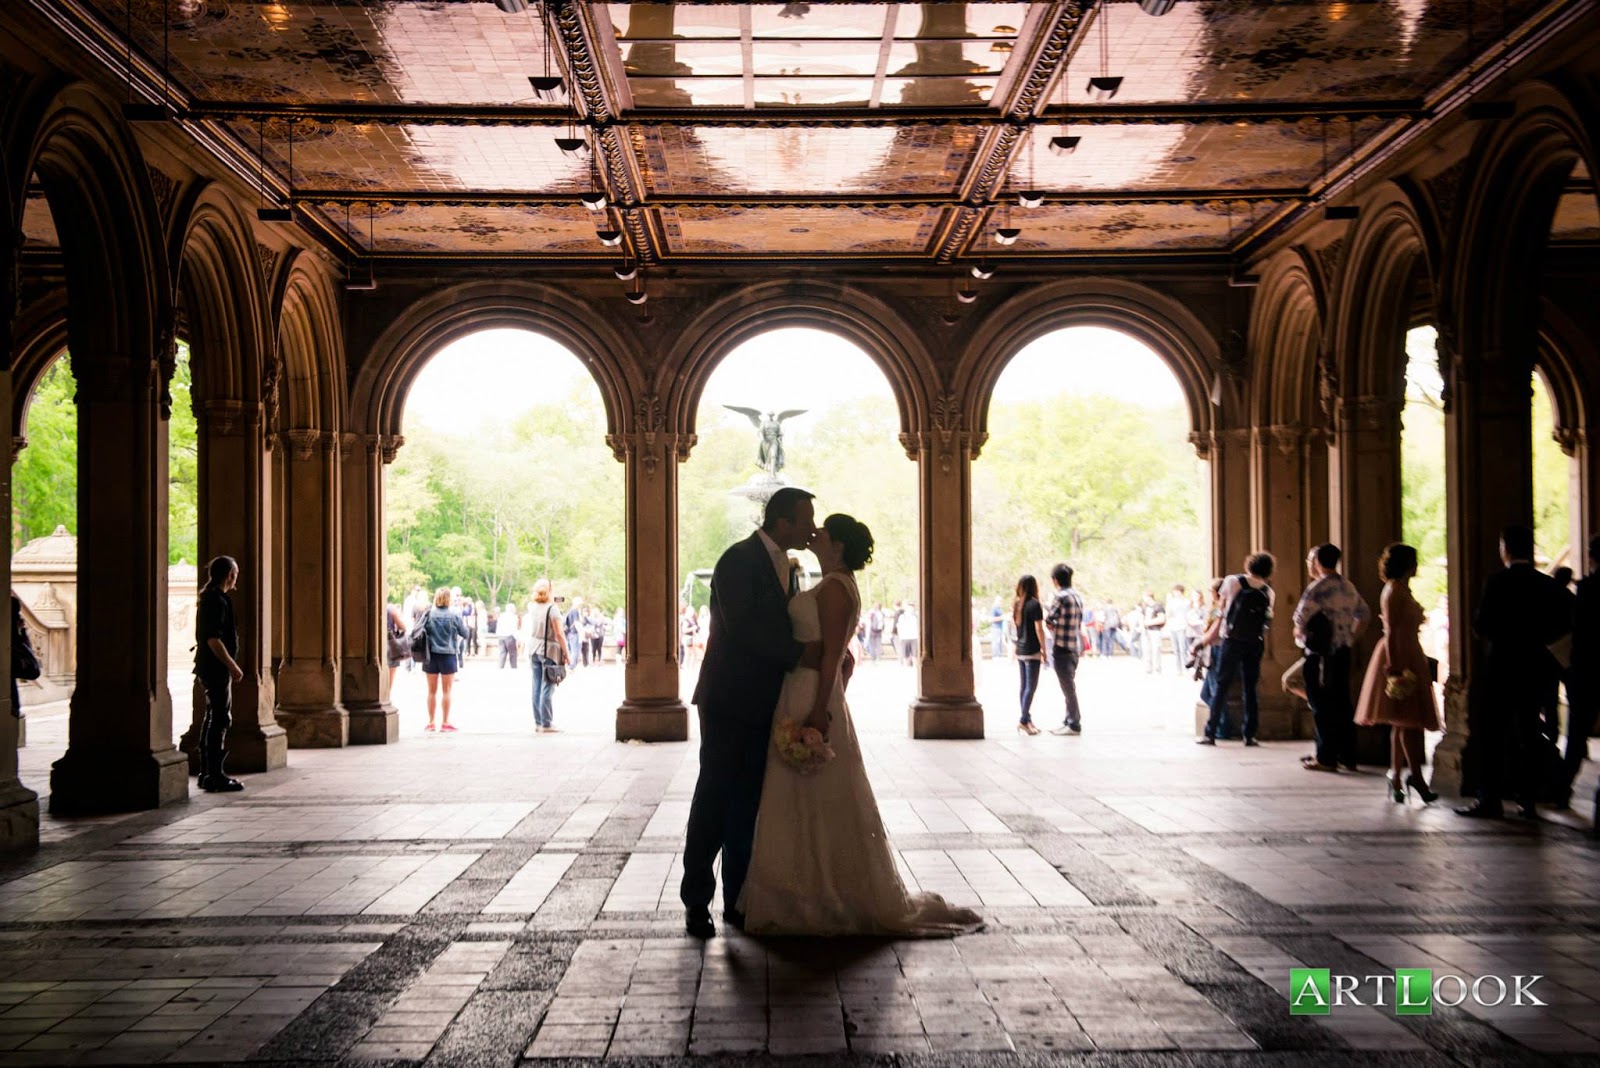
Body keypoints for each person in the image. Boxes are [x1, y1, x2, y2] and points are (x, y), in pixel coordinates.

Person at [739, 514, 982, 937]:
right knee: (794, 791)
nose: (814, 533)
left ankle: (821, 892)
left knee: (814, 790)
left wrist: (820, 708)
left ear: (837, 545)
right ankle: (797, 889)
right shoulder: (831, 581)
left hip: (811, 691)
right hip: (800, 689)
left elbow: (834, 654)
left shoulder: (835, 588)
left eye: (823, 531)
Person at [681, 487, 824, 939]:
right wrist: (803, 655)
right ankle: (696, 900)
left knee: (748, 802)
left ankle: (737, 900)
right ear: (782, 522)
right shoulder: (737, 560)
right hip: (729, 698)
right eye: (806, 519)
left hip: (764, 700)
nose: (812, 527)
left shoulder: (788, 564)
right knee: (715, 797)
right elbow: (744, 629)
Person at [1459, 525, 1572, 819]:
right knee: (1530, 733)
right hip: (1535, 668)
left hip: (1501, 666)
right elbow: (1566, 623)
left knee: (1492, 734)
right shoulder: (1546, 585)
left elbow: (1481, 625)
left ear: (1505, 548)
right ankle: (1527, 800)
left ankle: (1491, 798)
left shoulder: (1497, 582)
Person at [1352, 543, 1441, 802]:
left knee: (1404, 722)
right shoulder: (1394, 591)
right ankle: (1413, 777)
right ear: (1407, 564)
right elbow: (1390, 630)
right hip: (1401, 653)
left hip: (1408, 650)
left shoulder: (1399, 589)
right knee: (1410, 722)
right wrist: (1394, 666)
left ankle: (1398, 775)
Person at [1294, 543, 1371, 773]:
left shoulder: (1318, 588)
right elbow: (1364, 614)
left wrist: (1301, 635)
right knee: (1342, 703)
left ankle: (1326, 757)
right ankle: (1347, 755)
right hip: (1342, 652)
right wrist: (1350, 638)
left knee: (1320, 704)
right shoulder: (1347, 586)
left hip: (1320, 654)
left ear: (1317, 561)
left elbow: (1300, 619)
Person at [1199, 553, 1275, 747]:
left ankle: (1210, 733)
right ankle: (1249, 734)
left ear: (1249, 564)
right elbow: (1267, 621)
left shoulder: (1233, 581)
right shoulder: (1268, 591)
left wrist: (1209, 628)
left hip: (1231, 641)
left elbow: (1220, 609)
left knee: (1221, 685)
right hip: (1255, 642)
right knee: (1250, 688)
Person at [194, 556, 246, 792]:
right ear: (229, 575)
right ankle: (215, 775)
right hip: (215, 668)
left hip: (208, 666)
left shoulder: (211, 598)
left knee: (212, 717)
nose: (237, 577)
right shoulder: (217, 601)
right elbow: (214, 639)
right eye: (235, 573)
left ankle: (207, 773)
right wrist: (232, 666)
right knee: (220, 719)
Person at [1559, 536, 1600, 818]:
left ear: (1591, 556)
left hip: (1588, 670)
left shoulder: (1587, 589)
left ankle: (1563, 791)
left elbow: (1580, 634)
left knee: (1576, 735)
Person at [420, 587, 469, 733]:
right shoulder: (454, 615)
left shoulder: (428, 614)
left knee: (431, 691)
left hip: (431, 656)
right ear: (448, 599)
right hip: (448, 656)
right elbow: (465, 633)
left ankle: (430, 722)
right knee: (447, 691)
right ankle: (445, 722)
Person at [1045, 563, 1084, 735]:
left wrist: (1053, 627)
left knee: (1068, 688)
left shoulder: (1060, 597)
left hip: (1061, 646)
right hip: (1074, 646)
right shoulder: (1077, 596)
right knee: (1069, 685)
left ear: (1055, 580)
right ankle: (1068, 720)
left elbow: (1049, 619)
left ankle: (1074, 723)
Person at [525, 579, 568, 734]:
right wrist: (566, 652)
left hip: (534, 650)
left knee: (536, 687)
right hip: (548, 650)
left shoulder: (533, 607)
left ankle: (538, 722)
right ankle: (547, 723)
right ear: (550, 590)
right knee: (547, 687)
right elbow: (559, 633)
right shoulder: (553, 609)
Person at [1013, 575, 1047, 736]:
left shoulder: (1017, 604)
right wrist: (1044, 649)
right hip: (1032, 650)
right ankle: (1023, 720)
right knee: (1031, 687)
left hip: (1020, 650)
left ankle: (1027, 720)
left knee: (1024, 686)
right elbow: (1039, 629)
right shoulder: (1035, 605)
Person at [1165, 585, 1191, 674]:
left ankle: (1185, 666)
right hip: (1173, 626)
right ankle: (1178, 668)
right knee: (1176, 648)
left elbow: (1188, 614)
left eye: (1177, 591)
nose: (1175, 593)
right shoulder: (1170, 602)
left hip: (1182, 626)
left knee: (1182, 648)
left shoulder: (1186, 602)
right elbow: (1168, 614)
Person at [385, 602, 411, 690]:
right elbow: (402, 627)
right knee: (389, 680)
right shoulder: (390, 608)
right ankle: (386, 698)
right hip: (390, 645)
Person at [1138, 592, 1166, 673]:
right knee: (1146, 649)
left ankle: (1157, 668)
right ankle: (1148, 668)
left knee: (1156, 649)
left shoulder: (1158, 606)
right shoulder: (1145, 607)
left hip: (1155, 630)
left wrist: (1149, 622)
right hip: (1146, 630)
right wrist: (1142, 625)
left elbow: (1161, 619)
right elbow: (1142, 617)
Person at [498, 601, 519, 669]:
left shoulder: (501, 616)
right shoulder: (514, 617)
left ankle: (500, 667)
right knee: (513, 654)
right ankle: (514, 668)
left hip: (501, 636)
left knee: (502, 653)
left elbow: (498, 626)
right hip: (510, 636)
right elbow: (514, 628)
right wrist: (517, 639)